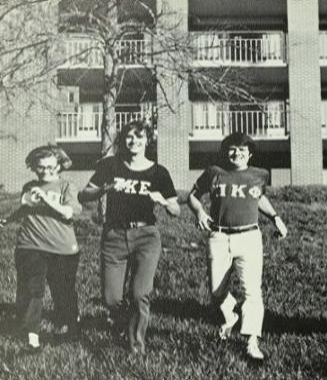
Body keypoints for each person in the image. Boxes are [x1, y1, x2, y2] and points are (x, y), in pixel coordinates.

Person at [78, 120, 180, 354]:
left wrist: (163, 201)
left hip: (146, 236)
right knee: (111, 298)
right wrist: (105, 189)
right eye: (129, 137)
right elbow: (83, 195)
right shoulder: (110, 165)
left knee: (139, 293)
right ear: (123, 140)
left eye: (139, 136)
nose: (134, 141)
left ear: (147, 140)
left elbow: (176, 210)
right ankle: (124, 320)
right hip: (114, 234)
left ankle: (136, 345)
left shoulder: (158, 172)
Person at [187, 132, 287, 361]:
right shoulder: (214, 172)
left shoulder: (260, 175)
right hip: (219, 237)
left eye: (242, 150)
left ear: (250, 154)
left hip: (249, 237)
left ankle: (252, 341)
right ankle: (231, 316)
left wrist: (275, 217)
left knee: (252, 291)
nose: (237, 154)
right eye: (232, 149)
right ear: (225, 152)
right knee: (216, 292)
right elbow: (192, 196)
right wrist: (200, 211)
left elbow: (257, 197)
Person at [0, 145, 81, 352]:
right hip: (30, 245)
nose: (45, 172)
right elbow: (25, 208)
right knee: (31, 290)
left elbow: (68, 214)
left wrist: (45, 198)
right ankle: (32, 338)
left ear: (59, 166)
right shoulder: (29, 186)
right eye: (40, 168)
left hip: (62, 248)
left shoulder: (67, 186)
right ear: (34, 167)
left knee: (63, 292)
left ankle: (68, 325)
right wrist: (8, 219)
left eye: (50, 167)